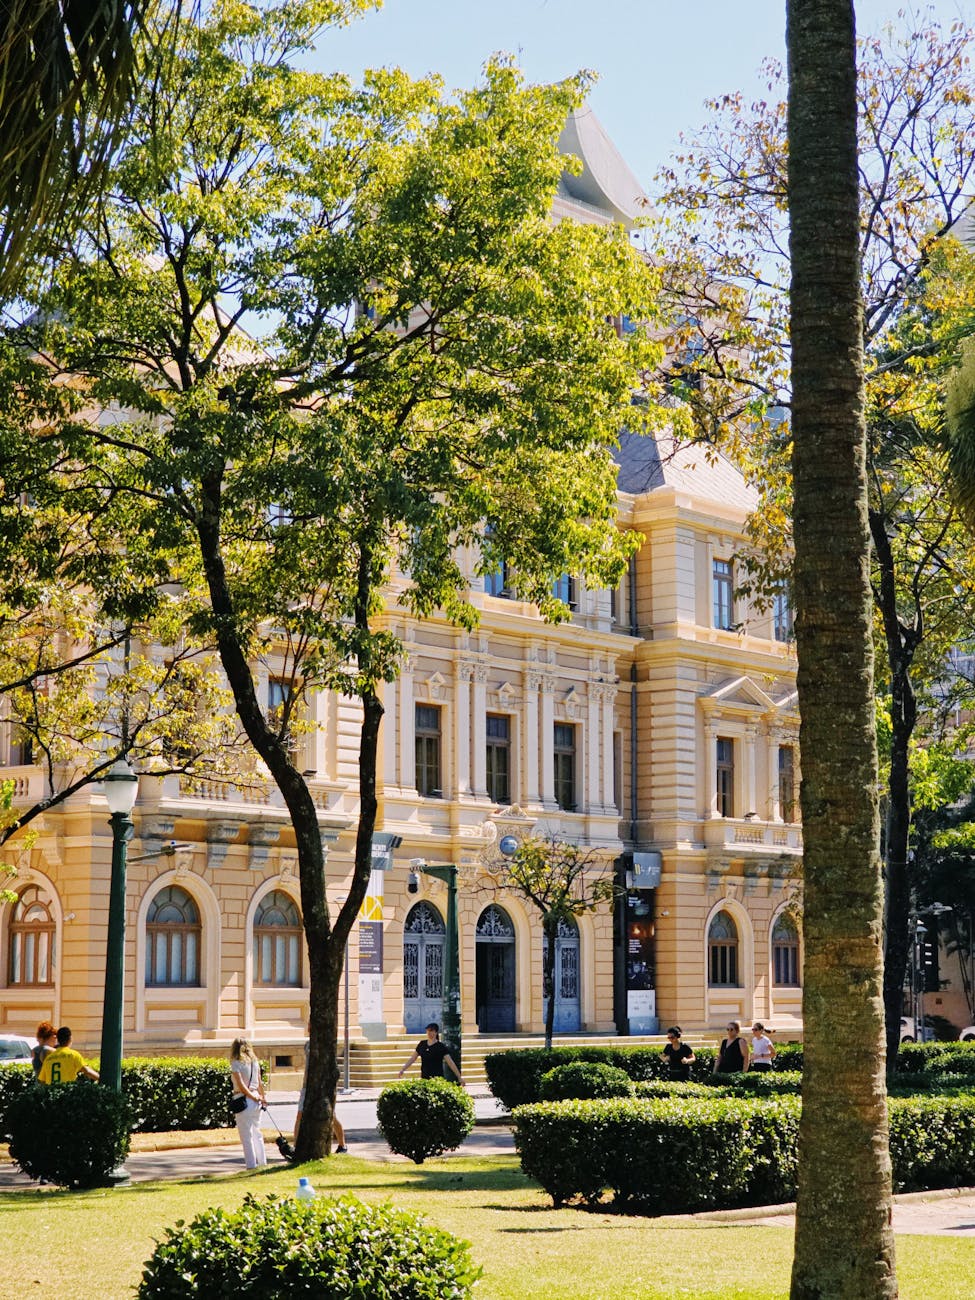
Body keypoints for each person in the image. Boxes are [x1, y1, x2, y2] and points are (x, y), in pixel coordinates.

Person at [294, 1025, 348, 1153]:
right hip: (307, 1086)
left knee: (331, 1116)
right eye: (309, 1026)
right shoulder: (308, 1045)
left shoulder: (324, 1046)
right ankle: (296, 1146)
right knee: (300, 1116)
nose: (309, 1029)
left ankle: (342, 1144)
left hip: (323, 1087)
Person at [229, 1038, 267, 1170]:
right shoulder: (254, 1062)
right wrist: (262, 1097)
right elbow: (259, 1082)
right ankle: (262, 1163)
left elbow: (241, 1085)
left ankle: (251, 1165)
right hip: (256, 1096)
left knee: (246, 1136)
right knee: (257, 1133)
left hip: (243, 1099)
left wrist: (251, 1097)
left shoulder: (236, 1063)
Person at [398, 1023, 465, 1085]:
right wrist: (403, 1069)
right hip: (424, 1078)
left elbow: (450, 1062)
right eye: (428, 1030)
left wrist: (459, 1077)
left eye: (431, 1030)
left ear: (436, 1032)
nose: (429, 1033)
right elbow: (412, 1058)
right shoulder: (422, 1044)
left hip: (437, 1079)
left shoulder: (440, 1046)